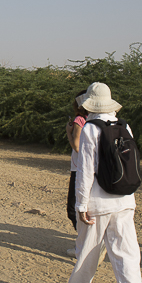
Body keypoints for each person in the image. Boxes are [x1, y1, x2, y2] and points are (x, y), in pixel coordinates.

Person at [61, 82, 142, 283]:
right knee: (127, 254)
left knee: (88, 248)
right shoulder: (124, 125)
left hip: (98, 201)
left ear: (90, 103)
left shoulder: (90, 128)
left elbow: (86, 170)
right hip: (125, 199)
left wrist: (81, 204)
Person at [64, 90, 88, 256]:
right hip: (91, 168)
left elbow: (77, 146)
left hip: (78, 168)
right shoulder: (93, 120)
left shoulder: (79, 120)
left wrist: (68, 132)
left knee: (73, 209)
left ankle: (84, 242)